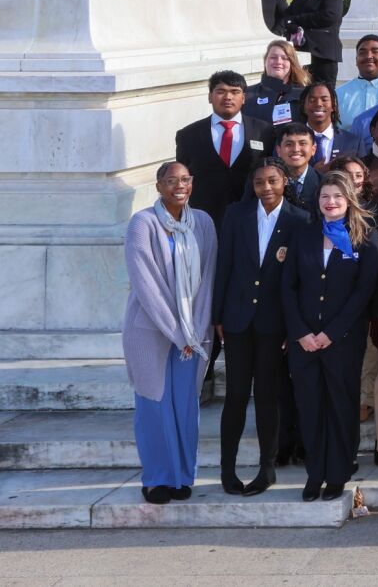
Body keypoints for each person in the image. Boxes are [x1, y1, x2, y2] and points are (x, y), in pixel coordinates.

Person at [283, 170, 378, 502]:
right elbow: (288, 287)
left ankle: (337, 472)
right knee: (310, 406)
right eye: (325, 196)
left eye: (337, 196)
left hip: (342, 340)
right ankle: (315, 473)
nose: (331, 202)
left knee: (341, 405)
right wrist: (301, 332)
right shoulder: (303, 235)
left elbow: (363, 292)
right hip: (304, 341)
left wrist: (331, 333)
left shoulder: (365, 238)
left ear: (349, 198)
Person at [125, 162, 217, 504]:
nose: (179, 185)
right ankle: (156, 478)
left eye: (185, 180)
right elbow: (146, 284)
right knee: (154, 405)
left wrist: (197, 329)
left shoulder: (204, 223)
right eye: (171, 180)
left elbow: (208, 278)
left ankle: (181, 476)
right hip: (151, 330)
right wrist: (179, 333)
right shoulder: (142, 224)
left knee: (185, 407)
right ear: (159, 185)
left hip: (194, 334)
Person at [214, 159, 307, 495]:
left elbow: (298, 281)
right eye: (259, 183)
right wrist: (218, 317)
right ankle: (228, 470)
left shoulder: (299, 221)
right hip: (237, 320)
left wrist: (293, 327)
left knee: (268, 397)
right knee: (236, 396)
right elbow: (224, 265)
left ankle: (267, 469)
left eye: (272, 181)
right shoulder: (236, 215)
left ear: (284, 181)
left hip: (274, 325)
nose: (266, 188)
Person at [174, 70, 269, 231]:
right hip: (203, 222)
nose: (228, 97)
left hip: (252, 220)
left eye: (235, 92)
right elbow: (182, 179)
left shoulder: (264, 131)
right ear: (210, 96)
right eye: (221, 92)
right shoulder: (188, 135)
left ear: (244, 98)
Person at [282, 0, 345, 85]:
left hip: (324, 53)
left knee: (324, 89)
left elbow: (329, 16)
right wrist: (292, 24)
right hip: (301, 51)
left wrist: (298, 19)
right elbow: (289, 14)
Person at [243, 40, 309, 127]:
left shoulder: (304, 95)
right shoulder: (248, 93)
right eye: (273, 57)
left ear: (292, 63)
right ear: (265, 61)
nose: (278, 62)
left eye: (284, 58)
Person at [335, 35, 378, 128]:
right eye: (363, 52)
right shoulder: (338, 94)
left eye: (375, 51)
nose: (368, 56)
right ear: (356, 60)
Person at [299, 82, 341, 170]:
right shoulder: (287, 141)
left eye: (324, 99)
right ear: (304, 107)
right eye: (312, 100)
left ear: (334, 106)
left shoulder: (354, 143)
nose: (318, 104)